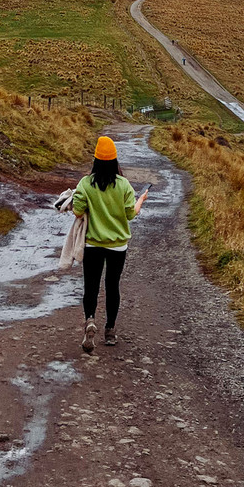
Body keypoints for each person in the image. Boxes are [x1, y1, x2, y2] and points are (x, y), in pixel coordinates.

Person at [70, 135, 148, 352]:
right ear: (115, 160)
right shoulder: (124, 186)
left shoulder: (85, 184)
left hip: (93, 244)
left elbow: (77, 211)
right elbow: (131, 215)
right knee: (113, 286)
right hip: (117, 246)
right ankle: (110, 330)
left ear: (95, 160)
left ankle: (90, 320)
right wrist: (140, 200)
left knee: (91, 286)